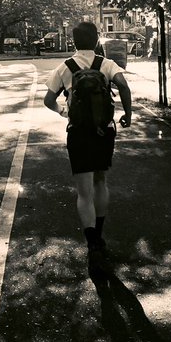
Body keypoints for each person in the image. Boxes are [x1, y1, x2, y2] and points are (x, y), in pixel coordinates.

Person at [43, 20, 132, 275]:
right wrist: (128, 114)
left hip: (78, 132)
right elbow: (124, 86)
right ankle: (100, 237)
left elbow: (48, 100)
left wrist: (64, 111)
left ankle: (92, 242)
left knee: (83, 192)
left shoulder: (64, 67)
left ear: (73, 42)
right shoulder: (105, 64)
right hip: (104, 131)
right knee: (100, 181)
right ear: (96, 40)